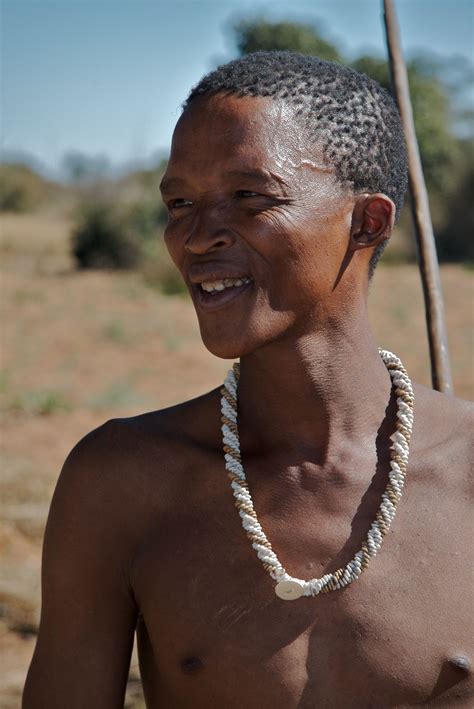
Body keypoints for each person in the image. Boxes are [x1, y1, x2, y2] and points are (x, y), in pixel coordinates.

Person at [23, 52, 473, 708]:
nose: (197, 236)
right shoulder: (122, 483)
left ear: (368, 221)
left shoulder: (466, 471)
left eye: (249, 196)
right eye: (179, 202)